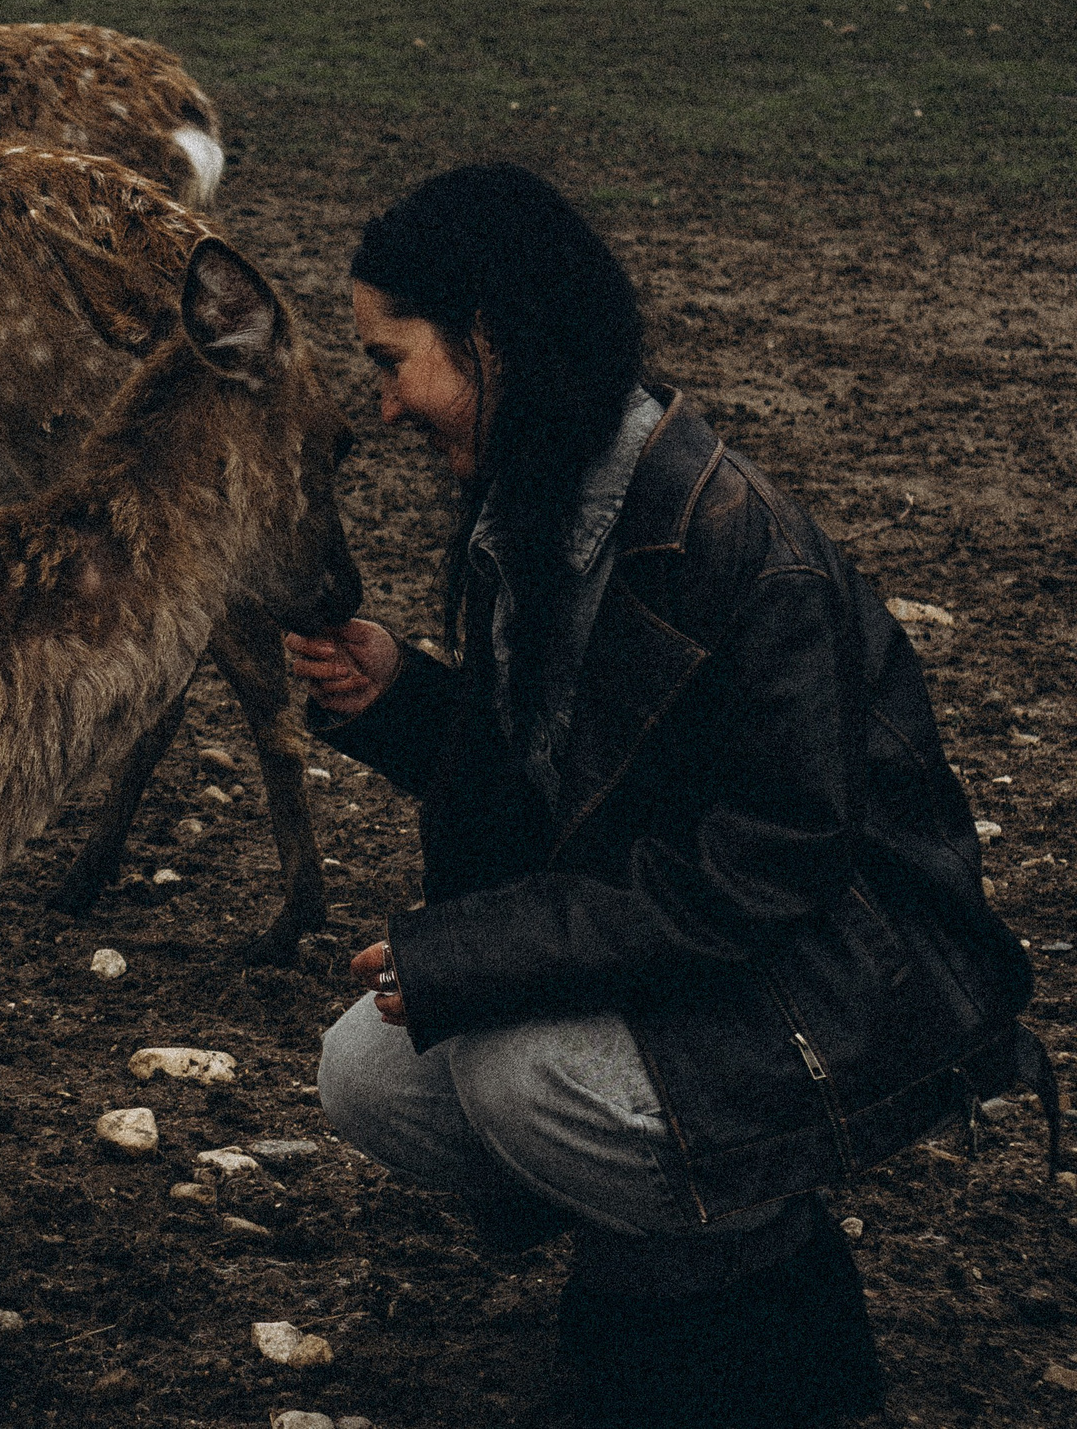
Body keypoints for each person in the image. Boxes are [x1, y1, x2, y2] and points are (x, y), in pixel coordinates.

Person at [290, 164, 1049, 1427]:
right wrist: (410, 703)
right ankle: (663, 1268)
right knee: (370, 1072)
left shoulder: (736, 551)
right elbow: (570, 784)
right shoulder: (535, 504)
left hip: (842, 976)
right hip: (707, 946)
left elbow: (768, 865)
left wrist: (475, 951)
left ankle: (752, 1325)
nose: (378, 406)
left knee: (516, 1079)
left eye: (392, 358)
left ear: (489, 338)